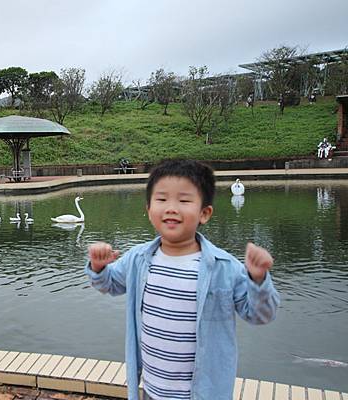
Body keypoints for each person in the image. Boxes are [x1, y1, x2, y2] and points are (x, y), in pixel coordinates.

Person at [85, 159, 280, 400]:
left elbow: (260, 315)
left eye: (184, 200)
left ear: (204, 213)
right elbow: (109, 284)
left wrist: (258, 279)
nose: (171, 208)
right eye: (162, 199)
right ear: (148, 210)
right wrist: (98, 266)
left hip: (203, 394)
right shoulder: (138, 259)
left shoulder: (224, 268)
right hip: (152, 391)